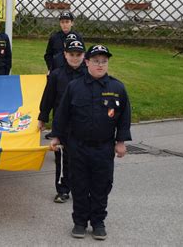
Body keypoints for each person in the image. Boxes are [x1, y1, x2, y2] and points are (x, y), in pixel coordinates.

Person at [50, 44, 131, 240]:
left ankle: (98, 222)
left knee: (101, 186)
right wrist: (56, 136)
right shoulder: (74, 87)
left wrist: (120, 141)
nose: (100, 65)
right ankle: (79, 222)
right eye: (96, 61)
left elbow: (124, 117)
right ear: (87, 62)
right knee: (79, 185)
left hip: (103, 148)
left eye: (104, 61)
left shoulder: (117, 88)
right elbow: (62, 114)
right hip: (78, 146)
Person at [38, 39, 87, 204]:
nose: (75, 58)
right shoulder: (56, 75)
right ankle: (63, 189)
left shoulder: (89, 74)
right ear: (65, 54)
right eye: (71, 54)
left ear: (84, 56)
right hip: (62, 124)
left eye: (78, 54)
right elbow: (48, 98)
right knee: (62, 159)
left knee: (81, 158)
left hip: (83, 124)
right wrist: (42, 118)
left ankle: (81, 188)